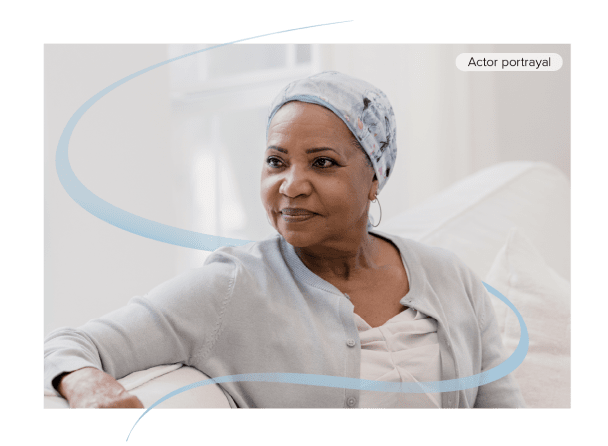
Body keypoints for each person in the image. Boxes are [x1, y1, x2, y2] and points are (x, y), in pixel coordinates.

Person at [43, 71, 525, 409]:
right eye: (276, 161)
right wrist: (85, 383)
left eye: (322, 163)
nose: (291, 185)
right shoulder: (233, 286)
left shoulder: (448, 276)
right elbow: (69, 344)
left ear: (375, 178)